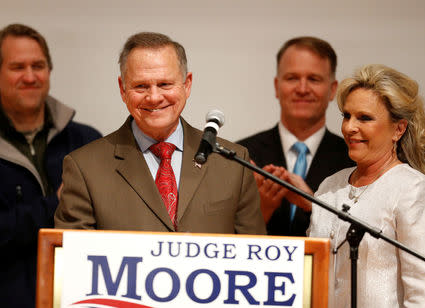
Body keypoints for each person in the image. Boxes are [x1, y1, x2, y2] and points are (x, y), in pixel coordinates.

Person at [54, 32, 266, 235]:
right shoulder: (84, 168)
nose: (154, 97)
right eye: (141, 86)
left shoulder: (233, 164)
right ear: (122, 89)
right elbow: (72, 261)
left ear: (187, 84)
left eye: (165, 84)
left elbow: (255, 254)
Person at [307, 64, 425, 307]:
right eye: (346, 115)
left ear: (399, 129)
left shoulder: (416, 192)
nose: (349, 127)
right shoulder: (329, 186)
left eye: (364, 118)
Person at [0, 24, 102, 307]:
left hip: (82, 298)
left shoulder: (87, 140)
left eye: (39, 65)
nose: (30, 76)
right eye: (17, 67)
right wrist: (54, 204)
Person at [238, 37, 354, 236]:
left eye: (314, 79)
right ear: (277, 86)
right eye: (292, 78)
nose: (302, 89)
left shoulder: (353, 159)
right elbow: (221, 240)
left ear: (333, 89)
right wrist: (259, 211)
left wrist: (313, 204)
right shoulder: (241, 155)